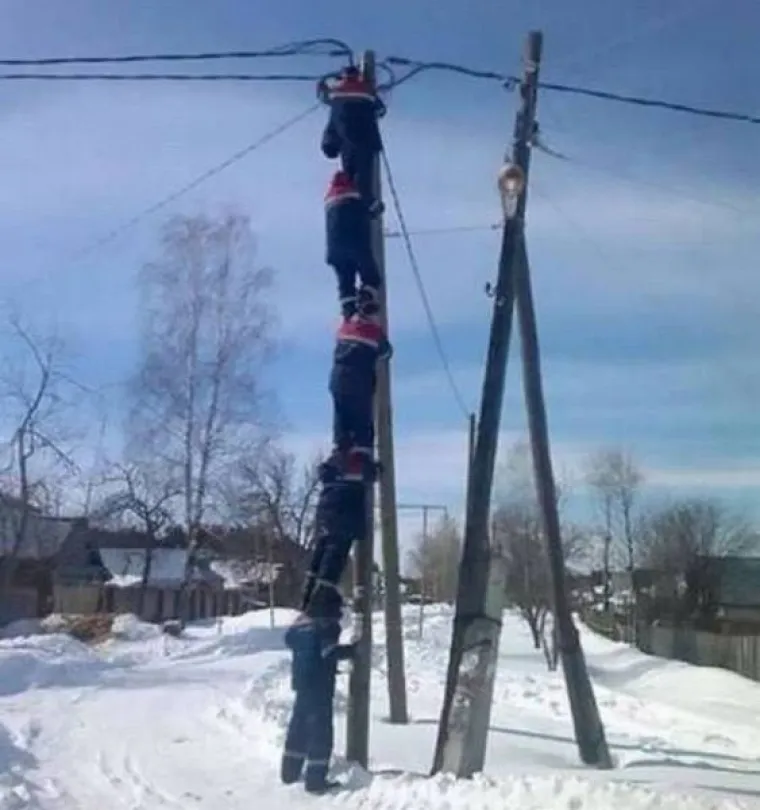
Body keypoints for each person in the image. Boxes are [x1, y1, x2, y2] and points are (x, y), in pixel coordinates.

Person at [280, 603, 357, 794]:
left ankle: (289, 771)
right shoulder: (326, 625)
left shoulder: (299, 625)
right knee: (320, 732)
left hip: (302, 682)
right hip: (319, 685)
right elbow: (328, 651)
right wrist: (353, 650)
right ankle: (315, 779)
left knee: (299, 727)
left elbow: (290, 641)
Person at [319, 311, 392, 484]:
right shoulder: (373, 331)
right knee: (362, 423)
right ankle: (362, 459)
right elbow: (386, 352)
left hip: (337, 380)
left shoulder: (344, 328)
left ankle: (340, 452)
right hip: (359, 383)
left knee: (341, 417)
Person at [320, 65, 384, 214]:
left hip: (347, 142)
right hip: (367, 139)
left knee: (351, 175)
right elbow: (380, 110)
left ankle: (361, 203)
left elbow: (333, 122)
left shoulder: (337, 95)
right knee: (363, 173)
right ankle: (368, 203)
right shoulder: (368, 91)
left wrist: (329, 145)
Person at [300, 479, 367, 614]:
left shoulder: (333, 468)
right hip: (345, 513)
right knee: (335, 554)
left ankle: (308, 596)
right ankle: (321, 599)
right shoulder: (354, 465)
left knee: (322, 550)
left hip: (325, 513)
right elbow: (366, 472)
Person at [324, 170, 382, 319]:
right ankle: (366, 298)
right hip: (356, 246)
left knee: (345, 282)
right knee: (371, 277)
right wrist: (375, 207)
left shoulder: (330, 204)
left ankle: (349, 310)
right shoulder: (355, 197)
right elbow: (369, 209)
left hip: (334, 253)